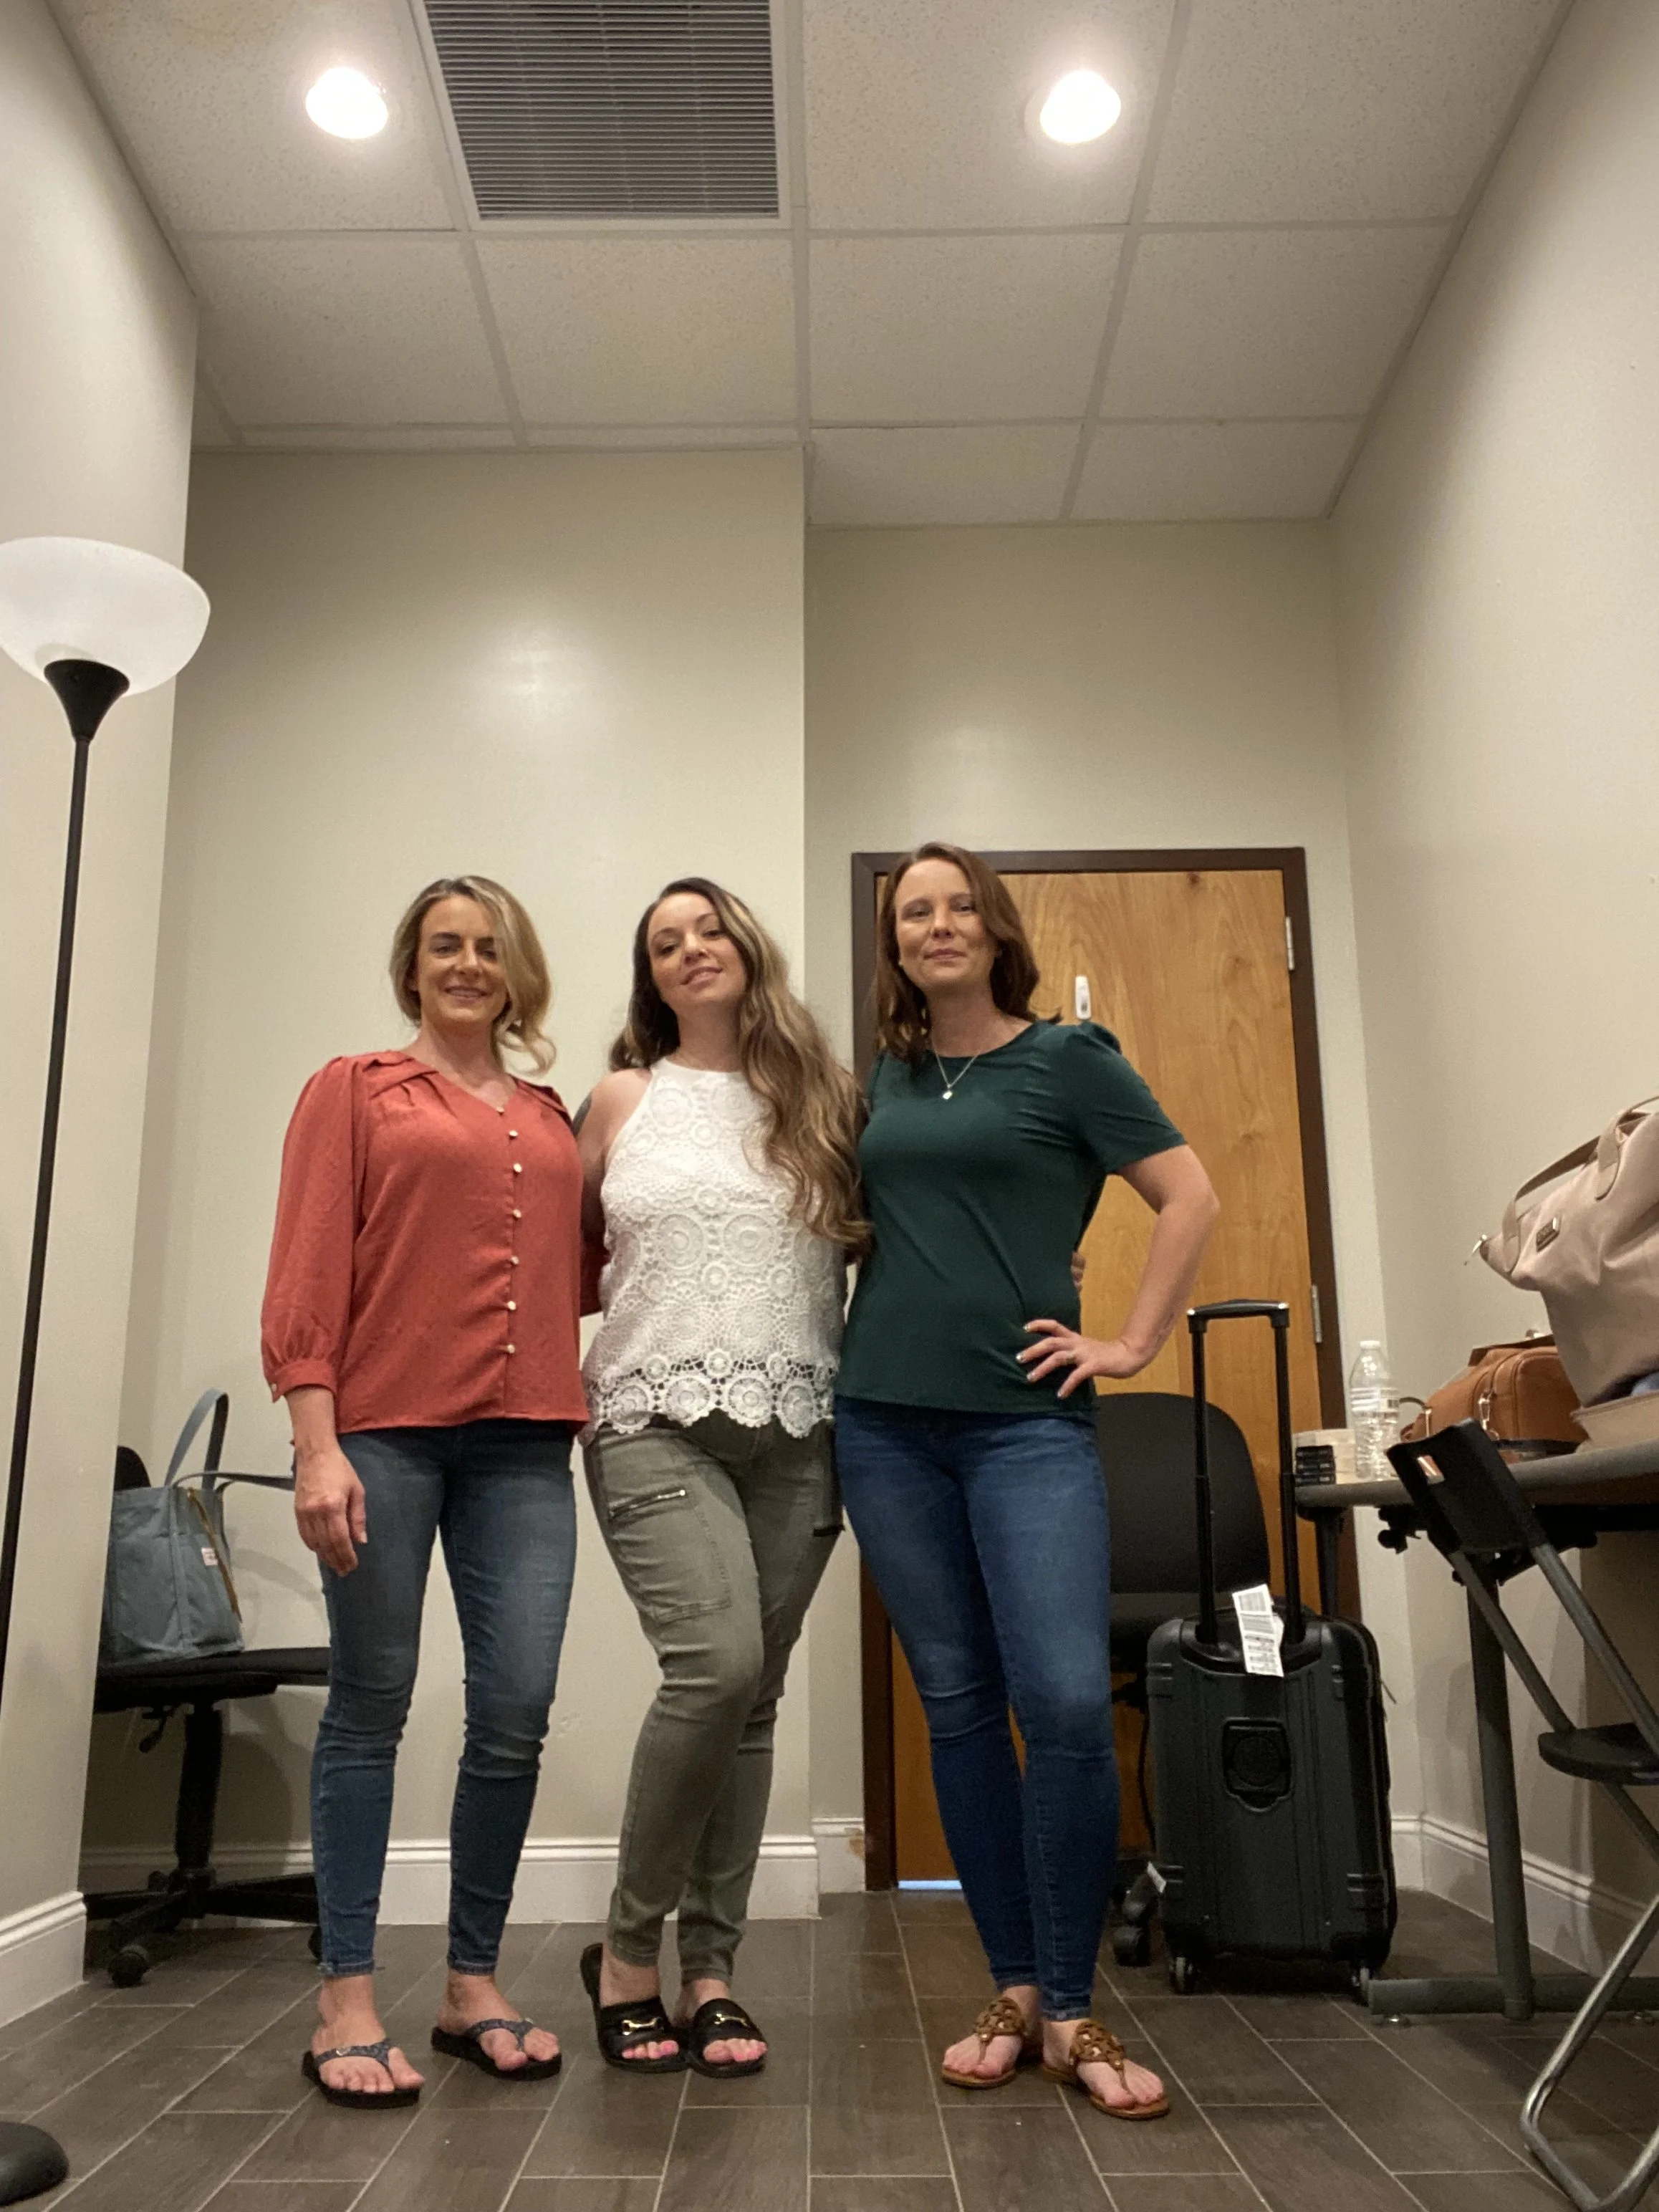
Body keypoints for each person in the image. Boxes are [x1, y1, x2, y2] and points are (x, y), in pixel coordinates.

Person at [835, 842, 1219, 2122]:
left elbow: (1189, 1197)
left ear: (996, 930)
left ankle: (1072, 2002)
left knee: (1059, 1704)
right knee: (956, 1702)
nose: (937, 927)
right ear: (896, 944)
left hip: (1027, 1427)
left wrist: (1132, 1341)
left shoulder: (1070, 1061)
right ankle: (1011, 1986)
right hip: (885, 1424)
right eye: (913, 914)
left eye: (957, 908)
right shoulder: (885, 1075)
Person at [261, 875, 587, 2108]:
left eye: (488, 946)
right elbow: (303, 1267)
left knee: (515, 1708)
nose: (466, 962)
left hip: (524, 1446)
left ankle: (470, 1984)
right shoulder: (354, 1089)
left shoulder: (552, 1117)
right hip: (383, 1437)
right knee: (372, 1701)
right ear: (413, 966)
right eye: (445, 945)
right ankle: (345, 1993)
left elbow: (595, 1262)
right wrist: (316, 1442)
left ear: (517, 971)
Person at [574, 877, 862, 2077]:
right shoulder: (622, 1097)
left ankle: (713, 1975)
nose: (691, 950)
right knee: (718, 1665)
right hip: (651, 1419)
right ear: (653, 975)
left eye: (707, 931)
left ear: (748, 949)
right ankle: (628, 1956)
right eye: (664, 942)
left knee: (752, 1708)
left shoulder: (827, 1100)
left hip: (803, 1428)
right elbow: (553, 1263)